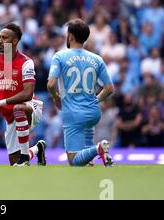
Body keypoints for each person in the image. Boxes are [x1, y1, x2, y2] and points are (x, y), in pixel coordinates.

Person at [47, 19, 114, 167]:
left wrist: (55, 97)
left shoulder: (59, 56)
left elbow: (51, 84)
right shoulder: (97, 58)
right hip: (93, 112)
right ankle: (92, 157)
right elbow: (109, 88)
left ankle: (99, 149)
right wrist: (95, 100)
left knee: (74, 160)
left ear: (70, 36)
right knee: (86, 157)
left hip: (73, 113)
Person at [0, 23, 46, 167]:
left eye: (4, 38)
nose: (0, 41)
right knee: (14, 163)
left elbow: (27, 94)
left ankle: (25, 157)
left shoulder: (26, 62)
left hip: (30, 107)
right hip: (9, 115)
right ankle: (38, 149)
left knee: (18, 108)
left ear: (14, 41)